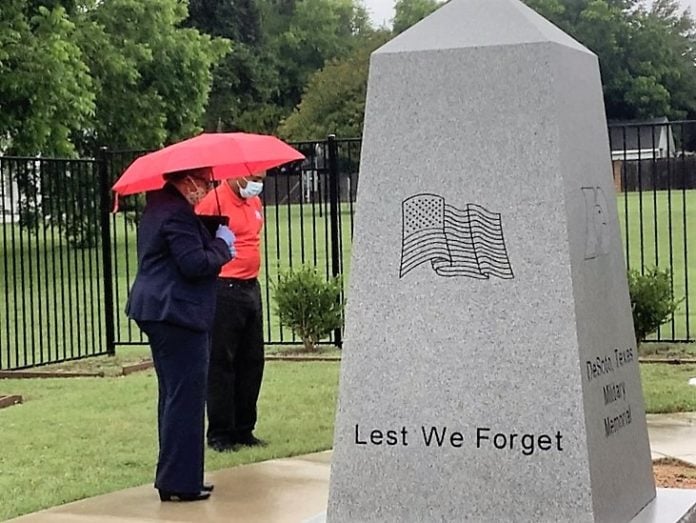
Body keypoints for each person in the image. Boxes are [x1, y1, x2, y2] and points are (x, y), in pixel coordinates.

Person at [126, 167, 235, 502]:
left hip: (160, 310)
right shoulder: (175, 213)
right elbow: (194, 264)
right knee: (185, 398)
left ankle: (177, 477)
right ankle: (180, 483)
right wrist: (221, 245)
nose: (206, 189)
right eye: (204, 183)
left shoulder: (160, 207)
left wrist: (208, 230)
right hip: (175, 313)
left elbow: (181, 250)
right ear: (188, 181)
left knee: (174, 396)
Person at [196, 171, 266, 452]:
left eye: (260, 177)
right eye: (252, 177)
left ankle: (244, 428)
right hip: (224, 287)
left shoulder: (255, 202)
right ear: (235, 174)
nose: (256, 183)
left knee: (252, 361)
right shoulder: (214, 202)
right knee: (222, 363)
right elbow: (199, 241)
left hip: (250, 287)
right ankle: (221, 432)